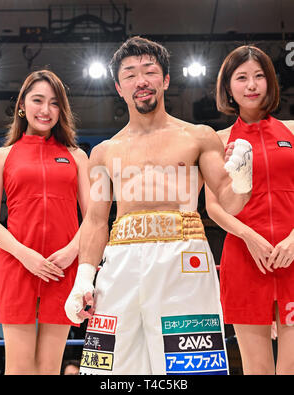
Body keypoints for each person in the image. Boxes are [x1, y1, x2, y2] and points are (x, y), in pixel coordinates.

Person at [65, 36, 252, 375]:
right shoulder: (105, 152)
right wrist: (83, 277)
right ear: (119, 88)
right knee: (104, 370)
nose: (141, 80)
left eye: (150, 71)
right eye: (130, 74)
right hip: (119, 264)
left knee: (189, 371)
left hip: (184, 260)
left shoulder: (198, 136)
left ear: (165, 80)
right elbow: (95, 221)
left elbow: (229, 201)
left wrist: (242, 180)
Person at [205, 45, 294, 375]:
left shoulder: (292, 130)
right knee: (257, 369)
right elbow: (213, 207)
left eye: (259, 76)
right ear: (229, 87)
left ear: (270, 82)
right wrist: (250, 237)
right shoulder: (218, 140)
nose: (252, 84)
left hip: (293, 258)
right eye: (241, 77)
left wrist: (293, 240)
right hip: (245, 258)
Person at [0, 70, 89, 374]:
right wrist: (26, 255)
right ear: (22, 105)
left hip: (62, 268)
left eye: (54, 103)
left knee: (49, 368)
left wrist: (72, 251)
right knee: (19, 368)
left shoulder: (77, 157)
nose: (45, 110)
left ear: (62, 110)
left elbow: (94, 219)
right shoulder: (1, 156)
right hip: (16, 265)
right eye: (38, 100)